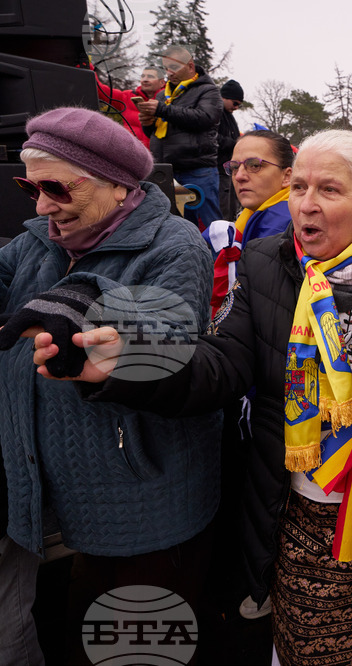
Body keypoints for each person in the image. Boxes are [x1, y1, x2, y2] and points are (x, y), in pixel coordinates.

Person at [34, 129, 352, 666]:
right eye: (300, 186)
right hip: (296, 508)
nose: (306, 204)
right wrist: (131, 363)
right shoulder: (266, 263)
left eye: (329, 190)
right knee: (311, 648)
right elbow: (221, 365)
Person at [0, 107, 221, 664]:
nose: (42, 204)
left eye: (56, 187)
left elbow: (168, 336)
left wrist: (77, 302)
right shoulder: (38, 240)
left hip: (147, 505)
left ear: (117, 186)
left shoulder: (175, 246)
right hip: (65, 499)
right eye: (30, 186)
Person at [205, 129, 294, 314]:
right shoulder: (251, 217)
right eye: (235, 167)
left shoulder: (281, 225)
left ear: (287, 176)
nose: (239, 176)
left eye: (254, 165)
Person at [137, 44, 224, 226]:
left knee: (211, 223)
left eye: (174, 67)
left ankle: (221, 254)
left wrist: (162, 110)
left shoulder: (208, 90)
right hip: (168, 171)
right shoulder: (163, 95)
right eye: (166, 68)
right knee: (179, 225)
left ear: (190, 66)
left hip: (198, 170)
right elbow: (156, 132)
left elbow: (205, 118)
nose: (169, 73)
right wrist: (147, 123)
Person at [217, 79, 244, 222]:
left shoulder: (229, 117)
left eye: (239, 105)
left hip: (229, 169)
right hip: (218, 168)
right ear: (224, 97)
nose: (236, 108)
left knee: (231, 205)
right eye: (235, 103)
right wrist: (235, 144)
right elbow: (212, 137)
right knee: (223, 207)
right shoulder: (216, 113)